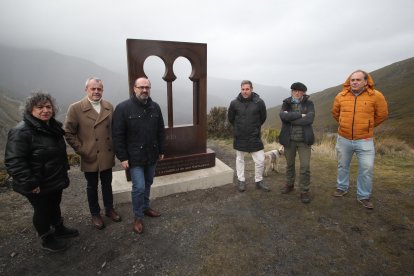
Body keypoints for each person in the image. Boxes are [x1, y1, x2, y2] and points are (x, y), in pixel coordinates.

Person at [5, 92, 79, 252]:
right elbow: (14, 161)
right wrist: (30, 182)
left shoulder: (53, 127)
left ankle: (59, 228)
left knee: (54, 204)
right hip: (36, 182)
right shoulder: (21, 132)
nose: (45, 110)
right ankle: (46, 237)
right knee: (42, 210)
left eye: (48, 107)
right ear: (30, 110)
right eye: (39, 107)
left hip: (53, 178)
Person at [64, 77, 121, 230]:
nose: (96, 91)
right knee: (92, 186)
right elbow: (68, 132)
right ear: (86, 90)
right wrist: (81, 150)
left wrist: (114, 148)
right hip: (89, 155)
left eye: (99, 89)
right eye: (93, 88)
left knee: (107, 184)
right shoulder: (75, 108)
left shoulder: (109, 106)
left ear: (102, 90)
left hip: (106, 153)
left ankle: (109, 209)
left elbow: (114, 130)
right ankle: (95, 214)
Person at [112, 77, 165, 234]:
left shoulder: (155, 107)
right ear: (134, 88)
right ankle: (138, 217)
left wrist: (161, 150)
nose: (144, 90)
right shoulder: (122, 108)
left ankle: (146, 207)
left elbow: (160, 131)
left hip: (152, 154)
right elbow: (117, 135)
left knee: (148, 183)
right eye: (141, 87)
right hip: (134, 156)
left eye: (147, 87)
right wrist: (122, 157)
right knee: (139, 187)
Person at [332, 70, 388, 209]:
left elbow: (382, 114)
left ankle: (363, 196)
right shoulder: (341, 96)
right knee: (342, 165)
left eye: (358, 80)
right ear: (349, 81)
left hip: (365, 139)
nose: (355, 82)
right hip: (343, 138)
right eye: (352, 80)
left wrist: (368, 126)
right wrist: (343, 123)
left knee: (367, 168)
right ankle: (342, 187)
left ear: (365, 81)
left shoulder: (376, 96)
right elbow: (335, 113)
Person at [228, 80, 269, 192]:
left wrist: (254, 128)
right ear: (240, 89)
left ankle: (258, 181)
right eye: (243, 89)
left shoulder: (259, 102)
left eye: (247, 89)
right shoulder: (234, 103)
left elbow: (263, 117)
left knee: (260, 159)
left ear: (251, 89)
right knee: (240, 159)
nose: (245, 91)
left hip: (254, 136)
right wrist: (239, 128)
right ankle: (241, 181)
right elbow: (231, 118)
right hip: (240, 136)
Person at [279, 82, 315, 203]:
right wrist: (300, 115)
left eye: (300, 91)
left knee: (305, 166)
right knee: (290, 165)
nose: (297, 93)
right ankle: (289, 185)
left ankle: (304, 190)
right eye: (295, 91)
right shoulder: (286, 103)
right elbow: (283, 117)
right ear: (292, 91)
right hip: (289, 140)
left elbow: (309, 119)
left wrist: (291, 119)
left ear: (304, 92)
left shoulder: (309, 103)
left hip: (304, 141)